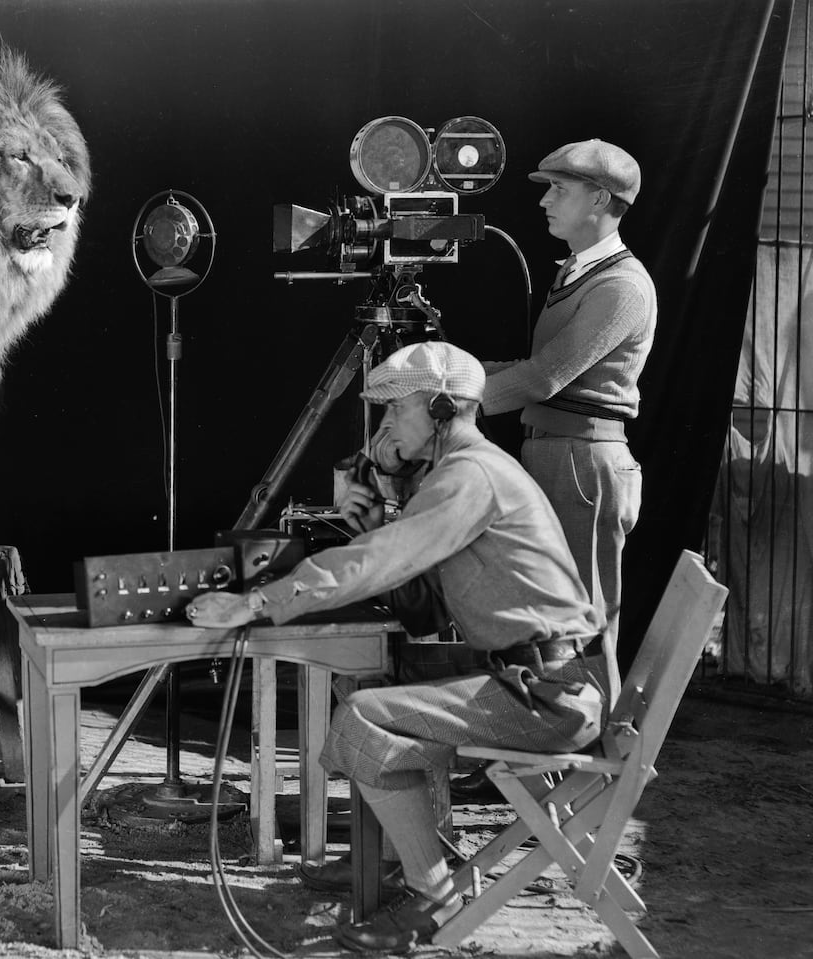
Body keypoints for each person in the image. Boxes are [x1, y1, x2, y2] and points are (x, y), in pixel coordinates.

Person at [186, 341, 607, 953]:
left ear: (440, 410)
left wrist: (255, 603)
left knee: (364, 718)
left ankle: (432, 896)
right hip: (544, 682)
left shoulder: (470, 476)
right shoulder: (457, 475)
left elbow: (378, 565)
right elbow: (426, 611)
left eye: (393, 416)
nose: (382, 434)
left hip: (546, 697)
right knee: (376, 697)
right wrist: (382, 516)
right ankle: (391, 860)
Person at [481, 138, 656, 706]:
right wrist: (452, 371)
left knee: (584, 615)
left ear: (601, 198)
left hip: (583, 463)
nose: (544, 202)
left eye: (560, 189)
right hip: (553, 454)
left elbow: (544, 378)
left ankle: (595, 765)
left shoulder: (620, 286)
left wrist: (454, 396)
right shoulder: (579, 272)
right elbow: (536, 370)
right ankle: (534, 752)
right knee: (542, 614)